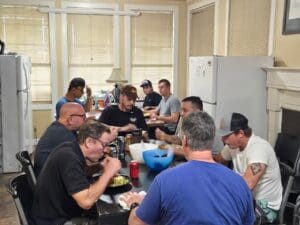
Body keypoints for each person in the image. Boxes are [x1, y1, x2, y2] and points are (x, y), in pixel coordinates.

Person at [122, 111, 255, 225]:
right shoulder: (240, 184)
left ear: (184, 140)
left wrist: (135, 204)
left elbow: (136, 222)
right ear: (212, 139)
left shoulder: (165, 180)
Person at [32, 120, 121, 225]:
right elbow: (86, 202)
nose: (106, 150)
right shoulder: (69, 158)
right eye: (104, 145)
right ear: (89, 142)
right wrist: (108, 173)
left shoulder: (70, 148)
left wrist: (100, 166)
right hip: (56, 221)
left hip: (53, 214)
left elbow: (79, 173)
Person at [215, 112, 282, 223]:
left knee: (219, 213)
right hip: (245, 198)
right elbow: (217, 160)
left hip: (264, 207)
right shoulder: (233, 146)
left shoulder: (259, 149)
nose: (222, 140)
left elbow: (246, 185)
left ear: (240, 133)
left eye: (226, 136)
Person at [155, 96, 223, 156]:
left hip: (213, 161)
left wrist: (171, 149)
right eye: (181, 110)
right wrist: (165, 136)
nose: (181, 114)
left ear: (197, 112)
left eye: (185, 110)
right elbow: (181, 140)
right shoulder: (187, 121)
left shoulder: (203, 125)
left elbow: (196, 154)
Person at [34, 102, 86, 177]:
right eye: (83, 117)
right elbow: (82, 160)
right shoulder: (64, 134)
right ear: (70, 119)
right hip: (51, 181)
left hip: (49, 176)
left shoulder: (57, 127)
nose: (85, 120)